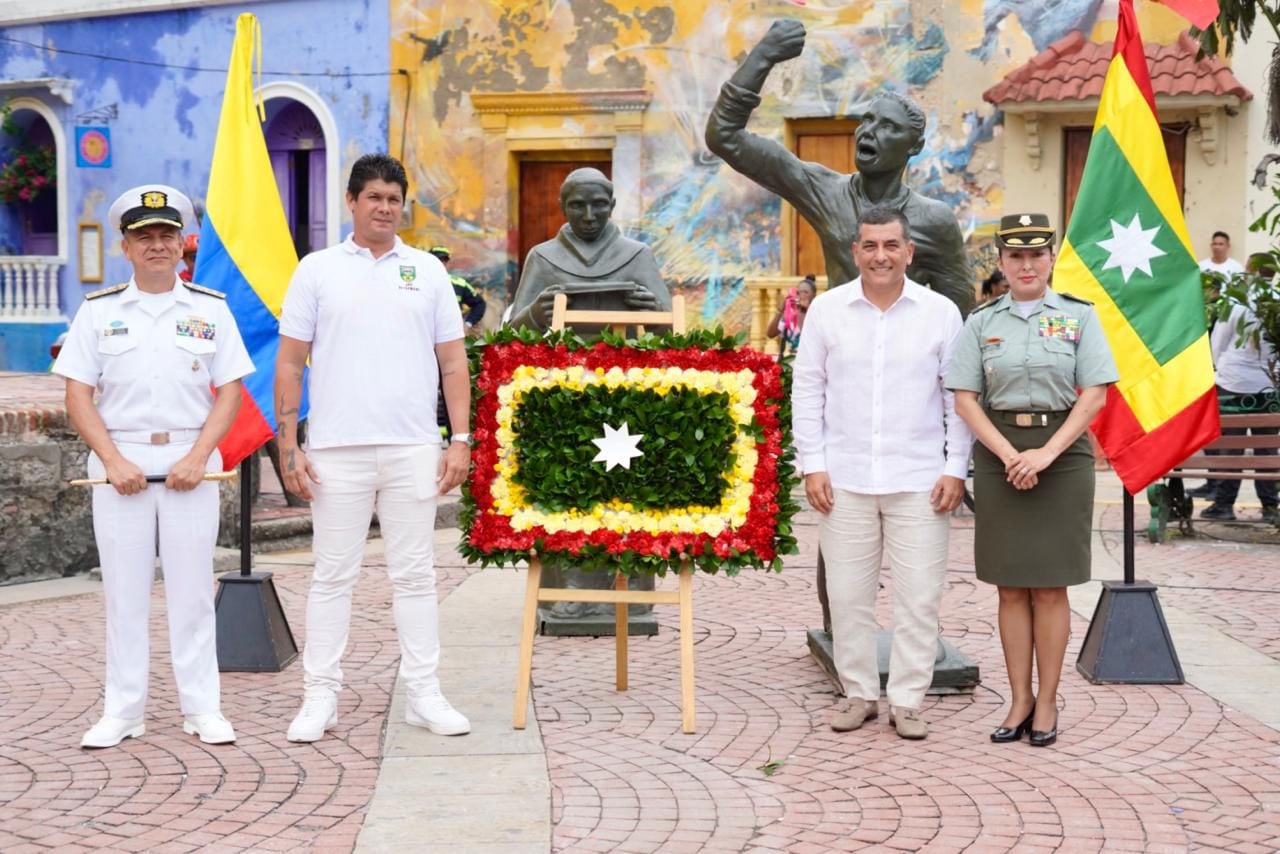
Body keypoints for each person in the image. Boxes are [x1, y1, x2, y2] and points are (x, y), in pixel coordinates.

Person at [275, 154, 472, 742]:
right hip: (336, 449)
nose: (385, 208)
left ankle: (423, 694)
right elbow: (288, 363)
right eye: (374, 198)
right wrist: (290, 446)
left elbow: (454, 362)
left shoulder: (428, 272)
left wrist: (459, 439)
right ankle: (319, 699)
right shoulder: (316, 270)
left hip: (414, 446)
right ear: (352, 202)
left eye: (394, 198)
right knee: (333, 577)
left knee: (414, 577)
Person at [53, 184, 253, 748]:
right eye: (145, 236)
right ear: (126, 246)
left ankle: (202, 707)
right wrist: (113, 461)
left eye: (167, 234)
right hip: (121, 465)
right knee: (124, 592)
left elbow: (231, 391)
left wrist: (196, 457)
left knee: (191, 592)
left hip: (193, 459)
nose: (157, 245)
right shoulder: (99, 312)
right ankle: (123, 711)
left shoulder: (209, 309)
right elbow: (78, 396)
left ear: (183, 243)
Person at [792, 206, 971, 740]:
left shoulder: (940, 314)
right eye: (870, 246)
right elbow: (807, 390)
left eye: (891, 246)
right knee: (848, 597)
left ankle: (909, 699)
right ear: (856, 252)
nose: (880, 256)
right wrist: (813, 464)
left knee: (919, 596)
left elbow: (955, 397)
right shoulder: (827, 311)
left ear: (909, 252)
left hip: (920, 479)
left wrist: (954, 468)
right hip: (842, 478)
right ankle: (858, 693)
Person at [945, 213, 1118, 747]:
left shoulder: (1078, 318)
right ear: (1000, 261)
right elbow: (965, 397)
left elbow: (1095, 393)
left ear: (1050, 260)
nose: (1026, 264)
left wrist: (1043, 453)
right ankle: (1018, 698)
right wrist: (1007, 453)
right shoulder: (980, 322)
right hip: (999, 456)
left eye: (1036, 255)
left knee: (1049, 586)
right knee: (1009, 585)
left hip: (1060, 459)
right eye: (1015, 256)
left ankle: (1046, 702)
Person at [705, 18, 972, 316]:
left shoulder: (936, 220)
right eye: (867, 120)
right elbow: (724, 137)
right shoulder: (826, 190)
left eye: (888, 127)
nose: (869, 131)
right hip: (842, 345)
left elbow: (960, 312)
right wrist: (763, 56)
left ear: (914, 147)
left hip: (906, 353)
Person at [508, 167, 670, 333]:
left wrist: (656, 316)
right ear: (562, 207)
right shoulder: (542, 257)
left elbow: (672, 333)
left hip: (624, 358)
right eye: (577, 205)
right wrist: (534, 316)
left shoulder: (638, 255)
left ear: (612, 205)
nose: (589, 217)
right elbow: (511, 335)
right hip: (562, 359)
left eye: (599, 204)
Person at [1199, 295, 1278, 522]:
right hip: (1268, 384)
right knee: (1266, 448)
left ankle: (1224, 504)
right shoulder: (1276, 302)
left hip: (1233, 382)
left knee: (1231, 448)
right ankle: (1270, 506)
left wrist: (1218, 368)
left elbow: (1218, 341)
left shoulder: (1237, 304)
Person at [427, 245, 486, 333]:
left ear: (447, 263)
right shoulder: (419, 282)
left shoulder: (459, 283)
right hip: (425, 333)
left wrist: (468, 324)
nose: (440, 263)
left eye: (444, 260)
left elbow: (479, 304)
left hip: (450, 334)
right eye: (437, 260)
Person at [766, 274, 816, 357]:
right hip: (792, 361)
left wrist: (808, 310)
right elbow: (770, 334)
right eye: (798, 292)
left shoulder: (817, 314)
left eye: (806, 292)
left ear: (813, 295)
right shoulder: (790, 316)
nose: (801, 295)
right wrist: (781, 310)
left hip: (811, 360)